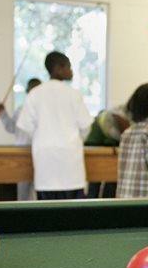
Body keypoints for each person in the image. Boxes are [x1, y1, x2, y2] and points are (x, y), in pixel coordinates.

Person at [15, 53, 92, 200]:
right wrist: (74, 141)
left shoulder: (35, 94)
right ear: (57, 68)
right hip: (71, 164)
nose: (71, 71)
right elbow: (86, 127)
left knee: (47, 214)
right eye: (68, 66)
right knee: (74, 214)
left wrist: (42, 138)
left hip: (45, 164)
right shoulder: (73, 94)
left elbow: (26, 127)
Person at [0, 77, 40, 200]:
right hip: (21, 154)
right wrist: (3, 114)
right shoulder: (21, 109)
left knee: (39, 190)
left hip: (39, 153)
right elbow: (10, 127)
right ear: (28, 91)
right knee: (23, 192)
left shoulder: (43, 111)